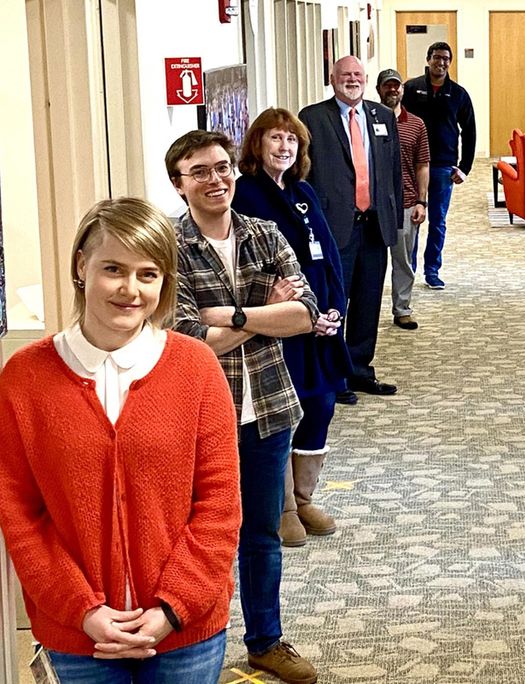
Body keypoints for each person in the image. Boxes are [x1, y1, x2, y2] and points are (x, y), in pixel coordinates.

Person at [0, 197, 240, 682]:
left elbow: (220, 503)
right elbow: (19, 512)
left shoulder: (196, 367)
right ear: (82, 266)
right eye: (114, 269)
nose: (131, 289)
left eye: (148, 274)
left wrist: (172, 607)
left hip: (185, 628)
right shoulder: (24, 377)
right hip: (79, 634)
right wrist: (83, 610)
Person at [167, 130, 319, 684]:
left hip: (268, 406)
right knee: (199, 536)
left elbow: (304, 314)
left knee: (261, 533)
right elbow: (185, 339)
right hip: (198, 417)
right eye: (199, 171)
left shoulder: (264, 234)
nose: (216, 179)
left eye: (223, 167)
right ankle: (193, 643)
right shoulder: (168, 248)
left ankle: (265, 640)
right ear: (179, 185)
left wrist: (226, 316)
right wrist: (258, 312)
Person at [233, 107, 352, 548]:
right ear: (257, 145)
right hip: (279, 325)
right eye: (276, 139)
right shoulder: (245, 194)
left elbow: (330, 258)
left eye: (292, 141)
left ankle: (303, 498)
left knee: (321, 404)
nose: (284, 148)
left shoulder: (304, 191)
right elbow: (252, 267)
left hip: (319, 325)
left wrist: (334, 310)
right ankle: (280, 506)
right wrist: (295, 311)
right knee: (284, 410)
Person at [300, 55, 403, 396]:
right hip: (333, 227)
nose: (352, 79)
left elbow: (392, 173)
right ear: (332, 78)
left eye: (358, 74)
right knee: (334, 302)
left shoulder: (383, 116)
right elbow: (304, 176)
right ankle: (335, 376)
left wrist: (396, 219)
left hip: (375, 224)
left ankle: (360, 369)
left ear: (366, 78)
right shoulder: (313, 118)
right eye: (345, 74)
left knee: (368, 300)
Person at [402, 40, 477, 290]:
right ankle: (408, 270)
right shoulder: (411, 89)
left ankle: (432, 270)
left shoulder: (458, 94)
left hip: (443, 167)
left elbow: (469, 132)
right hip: (412, 166)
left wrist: (464, 167)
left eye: (446, 58)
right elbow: (398, 124)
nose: (441, 62)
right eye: (437, 57)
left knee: (438, 221)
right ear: (428, 59)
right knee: (412, 219)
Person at [376, 68, 430, 330]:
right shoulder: (366, 120)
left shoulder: (416, 124)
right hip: (373, 205)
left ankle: (402, 309)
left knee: (403, 261)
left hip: (407, 203)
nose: (393, 90)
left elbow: (422, 165)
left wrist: (422, 201)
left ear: (403, 90)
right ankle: (366, 311)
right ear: (378, 90)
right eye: (388, 86)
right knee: (371, 264)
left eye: (396, 86)